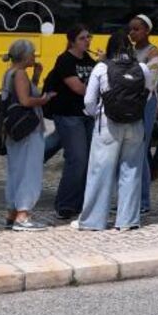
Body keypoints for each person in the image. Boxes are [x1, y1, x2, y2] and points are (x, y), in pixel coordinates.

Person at [77, 29, 153, 231]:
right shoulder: (142, 68)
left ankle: (93, 221)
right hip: (135, 125)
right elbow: (148, 94)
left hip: (108, 125)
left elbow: (89, 100)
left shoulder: (101, 67)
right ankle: (128, 220)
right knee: (131, 171)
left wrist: (96, 114)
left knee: (100, 171)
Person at [0, 39, 55, 231]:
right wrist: (45, 99)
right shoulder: (20, 73)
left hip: (14, 130)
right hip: (28, 130)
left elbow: (21, 94)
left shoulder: (10, 73)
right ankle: (23, 215)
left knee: (15, 170)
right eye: (32, 53)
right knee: (30, 171)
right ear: (24, 55)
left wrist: (37, 76)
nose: (34, 56)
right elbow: (25, 100)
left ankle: (12, 213)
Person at [44, 25, 96, 220]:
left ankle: (79, 202)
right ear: (73, 40)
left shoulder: (90, 60)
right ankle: (65, 204)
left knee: (88, 159)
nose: (87, 41)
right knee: (77, 158)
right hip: (68, 114)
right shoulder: (65, 60)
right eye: (83, 38)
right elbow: (78, 88)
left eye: (88, 37)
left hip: (87, 115)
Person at [127, 14, 158, 214]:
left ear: (147, 31)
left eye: (136, 29)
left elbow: (151, 82)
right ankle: (135, 198)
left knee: (141, 149)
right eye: (131, 29)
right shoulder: (130, 51)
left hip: (146, 103)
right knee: (135, 151)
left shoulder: (153, 52)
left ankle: (144, 200)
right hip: (132, 102)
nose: (132, 32)